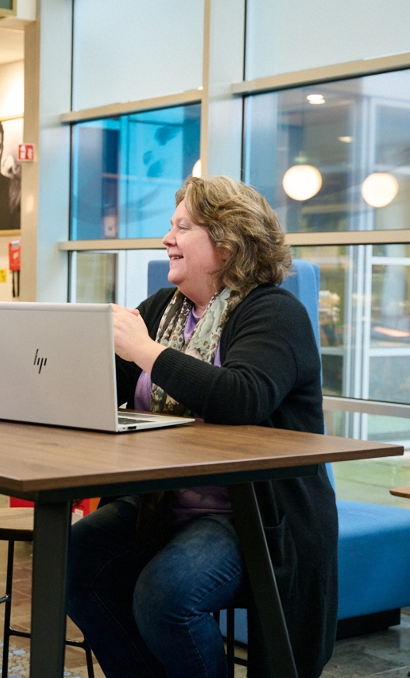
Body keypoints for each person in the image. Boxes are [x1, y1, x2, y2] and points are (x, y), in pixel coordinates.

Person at [66, 175, 337, 678]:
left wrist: (144, 350)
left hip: (251, 514)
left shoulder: (274, 312)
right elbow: (100, 391)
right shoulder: (163, 312)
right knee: (72, 561)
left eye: (182, 227)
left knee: (165, 595)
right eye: (170, 227)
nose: (166, 238)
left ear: (228, 244)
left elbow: (241, 397)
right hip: (161, 501)